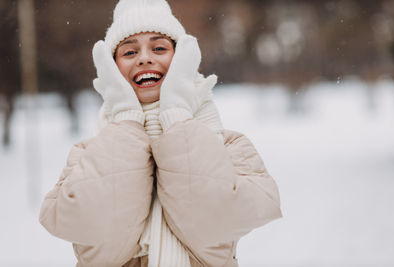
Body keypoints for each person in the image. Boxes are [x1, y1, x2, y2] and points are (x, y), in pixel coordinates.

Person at [39, 0, 282, 266]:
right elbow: (103, 243)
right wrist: (126, 119)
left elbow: (215, 226)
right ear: (111, 69)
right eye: (129, 53)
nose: (145, 58)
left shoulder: (228, 145)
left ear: (182, 60)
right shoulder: (87, 154)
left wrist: (176, 114)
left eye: (159, 48)